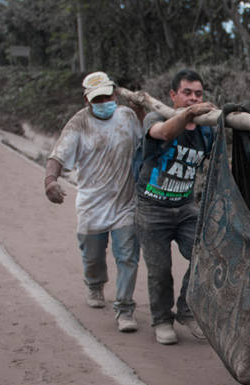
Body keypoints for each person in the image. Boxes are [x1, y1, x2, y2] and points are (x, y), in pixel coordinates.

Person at [44, 71, 143, 333]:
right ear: (87, 101)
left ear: (114, 94)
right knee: (93, 257)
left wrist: (141, 112)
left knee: (128, 257)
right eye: (97, 99)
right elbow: (58, 155)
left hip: (125, 203)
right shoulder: (79, 123)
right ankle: (95, 284)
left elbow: (144, 141)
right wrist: (50, 180)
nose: (103, 102)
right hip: (92, 204)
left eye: (107, 96)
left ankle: (124, 309)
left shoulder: (127, 116)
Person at [135, 69, 216, 345]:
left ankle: (187, 310)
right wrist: (189, 114)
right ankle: (161, 320)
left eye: (198, 94)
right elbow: (165, 132)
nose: (193, 98)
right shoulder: (156, 117)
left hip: (185, 208)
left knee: (206, 254)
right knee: (159, 270)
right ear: (173, 95)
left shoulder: (207, 130)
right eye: (187, 93)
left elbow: (220, 165)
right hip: (152, 208)